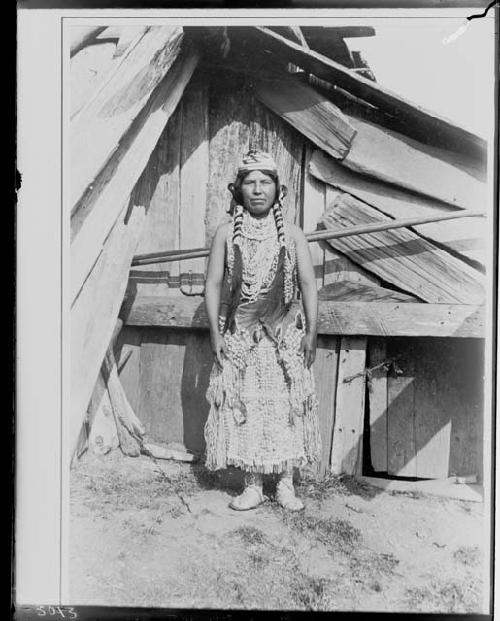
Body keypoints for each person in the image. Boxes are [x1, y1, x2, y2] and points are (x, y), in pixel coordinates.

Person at [203, 150, 321, 511]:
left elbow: (307, 284)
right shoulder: (226, 234)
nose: (257, 189)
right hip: (241, 336)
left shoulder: (294, 235)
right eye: (250, 182)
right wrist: (215, 333)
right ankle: (252, 484)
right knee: (246, 406)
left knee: (287, 405)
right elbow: (212, 285)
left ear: (277, 189)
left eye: (265, 181)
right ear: (238, 190)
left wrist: (312, 331)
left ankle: (285, 483)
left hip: (284, 336)